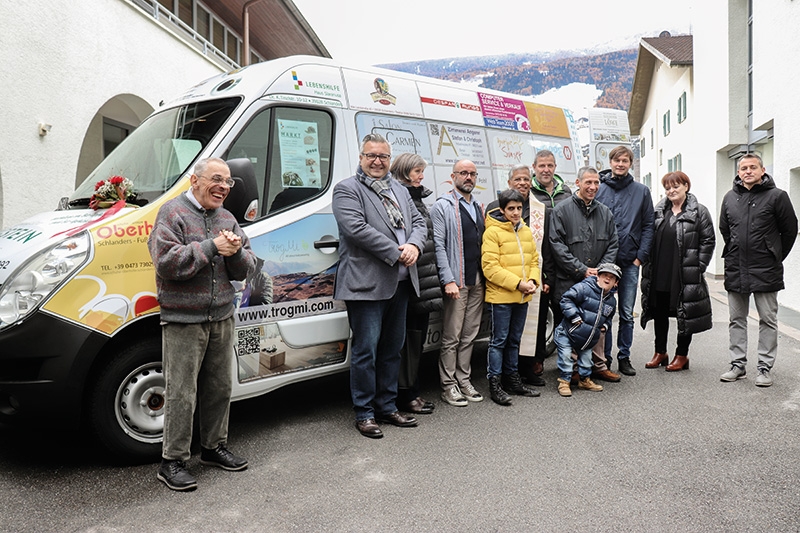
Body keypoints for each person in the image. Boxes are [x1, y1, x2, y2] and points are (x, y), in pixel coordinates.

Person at [148, 157, 257, 492]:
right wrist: (213, 247)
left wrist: (235, 252)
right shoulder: (172, 213)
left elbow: (246, 268)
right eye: (216, 179)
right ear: (194, 181)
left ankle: (213, 447)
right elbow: (166, 263)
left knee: (220, 388)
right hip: (183, 319)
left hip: (221, 316)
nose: (224, 186)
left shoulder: (227, 217)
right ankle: (173, 462)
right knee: (182, 393)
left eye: (228, 181)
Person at [333, 134, 427, 438]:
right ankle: (364, 413)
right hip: (366, 285)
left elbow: (420, 223)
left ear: (390, 160)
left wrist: (414, 245)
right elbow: (355, 229)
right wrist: (397, 252)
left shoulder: (399, 189)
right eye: (371, 155)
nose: (377, 161)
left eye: (383, 157)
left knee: (392, 350)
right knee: (366, 352)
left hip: (400, 285)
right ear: (361, 157)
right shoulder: (347, 189)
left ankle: (387, 407)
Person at [719, 153, 798, 387]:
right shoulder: (729, 198)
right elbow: (725, 229)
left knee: (768, 319)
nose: (748, 171)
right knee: (736, 319)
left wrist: (774, 255)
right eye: (743, 168)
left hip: (766, 268)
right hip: (735, 267)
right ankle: (737, 365)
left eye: (753, 167)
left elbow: (790, 231)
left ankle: (764, 367)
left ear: (762, 170)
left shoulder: (777, 197)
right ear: (738, 172)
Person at [640, 171, 716, 371]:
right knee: (660, 311)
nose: (671, 191)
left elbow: (709, 241)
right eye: (667, 188)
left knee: (685, 312)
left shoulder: (699, 211)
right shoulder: (658, 211)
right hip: (660, 270)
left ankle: (681, 355)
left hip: (684, 272)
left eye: (675, 186)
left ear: (686, 186)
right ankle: (660, 352)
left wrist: (699, 266)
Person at [549, 166, 619, 383]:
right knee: (571, 325)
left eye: (596, 183)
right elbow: (556, 244)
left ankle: (597, 367)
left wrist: (601, 272)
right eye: (588, 182)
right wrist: (581, 269)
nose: (593, 187)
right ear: (577, 183)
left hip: (598, 282)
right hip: (570, 280)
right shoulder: (561, 210)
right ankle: (569, 371)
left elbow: (613, 244)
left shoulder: (605, 212)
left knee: (598, 325)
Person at [430, 159, 486, 406]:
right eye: (463, 173)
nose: (469, 177)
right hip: (457, 281)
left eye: (473, 173)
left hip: (477, 280)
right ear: (453, 176)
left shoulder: (478, 206)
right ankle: (448, 385)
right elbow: (438, 246)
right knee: (452, 337)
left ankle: (464, 380)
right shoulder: (442, 206)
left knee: (469, 335)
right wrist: (448, 280)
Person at [596, 145, 655, 376]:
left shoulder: (641, 191)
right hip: (605, 263)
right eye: (617, 160)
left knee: (627, 312)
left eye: (625, 160)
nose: (620, 164)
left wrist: (640, 257)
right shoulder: (598, 188)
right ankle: (605, 358)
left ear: (631, 164)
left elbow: (649, 225)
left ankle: (624, 356)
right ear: (610, 162)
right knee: (605, 312)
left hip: (631, 261)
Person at [391, 153, 442, 415]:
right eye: (416, 171)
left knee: (416, 340)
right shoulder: (402, 197)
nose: (421, 176)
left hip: (423, 279)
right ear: (403, 172)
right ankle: (406, 395)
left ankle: (413, 391)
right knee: (407, 342)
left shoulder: (416, 196)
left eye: (422, 171)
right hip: (412, 280)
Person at [482, 189, 540, 405]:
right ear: (502, 210)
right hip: (501, 298)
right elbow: (490, 268)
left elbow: (534, 259)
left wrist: (533, 281)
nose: (516, 212)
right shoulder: (492, 232)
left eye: (519, 208)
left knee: (515, 340)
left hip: (522, 296)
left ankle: (512, 379)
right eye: (511, 209)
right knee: (499, 341)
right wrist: (518, 284)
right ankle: (495, 384)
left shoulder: (525, 231)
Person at [528, 150, 573, 382]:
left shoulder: (566, 193)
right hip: (541, 261)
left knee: (564, 311)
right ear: (534, 167)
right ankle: (537, 359)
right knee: (539, 313)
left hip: (564, 260)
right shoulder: (529, 193)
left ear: (555, 167)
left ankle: (568, 360)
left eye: (550, 165)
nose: (546, 170)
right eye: (541, 166)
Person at [554, 263, 620, 397]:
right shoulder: (584, 288)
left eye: (611, 278)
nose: (607, 279)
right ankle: (564, 381)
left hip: (589, 337)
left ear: (615, 283)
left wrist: (605, 326)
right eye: (604, 275)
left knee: (586, 360)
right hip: (567, 332)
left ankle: (584, 380)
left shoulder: (611, 301)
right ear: (597, 277)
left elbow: (609, 317)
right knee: (566, 357)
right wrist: (574, 316)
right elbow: (566, 299)